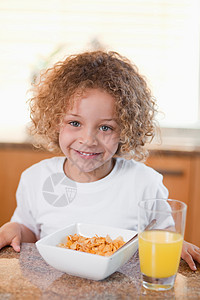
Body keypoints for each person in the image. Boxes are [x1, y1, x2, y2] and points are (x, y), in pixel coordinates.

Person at [0, 50, 199, 271]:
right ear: (56, 122)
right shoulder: (36, 179)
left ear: (126, 130)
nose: (88, 140)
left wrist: (176, 245)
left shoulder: (144, 183)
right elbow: (30, 234)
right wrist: (15, 229)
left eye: (105, 127)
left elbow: (161, 237)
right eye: (75, 123)